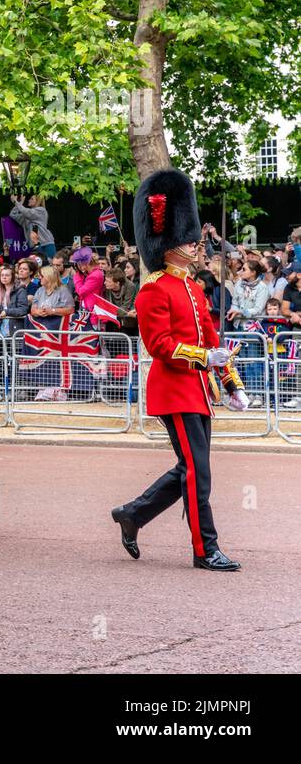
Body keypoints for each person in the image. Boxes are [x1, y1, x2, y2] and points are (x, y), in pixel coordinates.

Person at [111, 168, 245, 571]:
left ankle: (133, 514)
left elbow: (210, 338)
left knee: (191, 468)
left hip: (199, 391)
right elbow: (160, 346)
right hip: (174, 390)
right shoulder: (154, 288)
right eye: (188, 239)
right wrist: (205, 359)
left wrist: (230, 380)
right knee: (198, 473)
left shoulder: (193, 287)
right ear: (168, 244)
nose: (195, 244)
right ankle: (205, 549)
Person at [30, 265, 74, 330]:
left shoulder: (63, 290)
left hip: (58, 327)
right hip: (41, 325)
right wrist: (37, 312)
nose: (39, 278)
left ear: (49, 277)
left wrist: (53, 311)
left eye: (42, 276)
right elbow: (33, 310)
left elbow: (71, 310)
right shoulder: (40, 290)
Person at [11, 194, 55, 258]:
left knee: (50, 265)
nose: (29, 200)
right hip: (34, 246)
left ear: (38, 201)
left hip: (46, 243)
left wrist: (16, 202)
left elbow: (26, 212)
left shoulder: (41, 210)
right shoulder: (26, 216)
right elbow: (13, 214)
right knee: (37, 266)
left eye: (32, 199)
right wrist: (20, 203)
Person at [0, 265, 30, 336]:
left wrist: (7, 312)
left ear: (12, 277)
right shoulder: (0, 291)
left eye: (7, 275)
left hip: (15, 330)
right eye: (2, 275)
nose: (4, 277)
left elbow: (23, 310)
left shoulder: (20, 290)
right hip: (2, 329)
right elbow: (0, 309)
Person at [228, 259, 269, 324]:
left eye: (244, 269)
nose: (240, 272)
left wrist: (241, 312)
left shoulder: (262, 287)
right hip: (237, 323)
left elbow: (258, 309)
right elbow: (234, 303)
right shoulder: (239, 283)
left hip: (253, 326)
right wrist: (233, 310)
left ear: (253, 273)